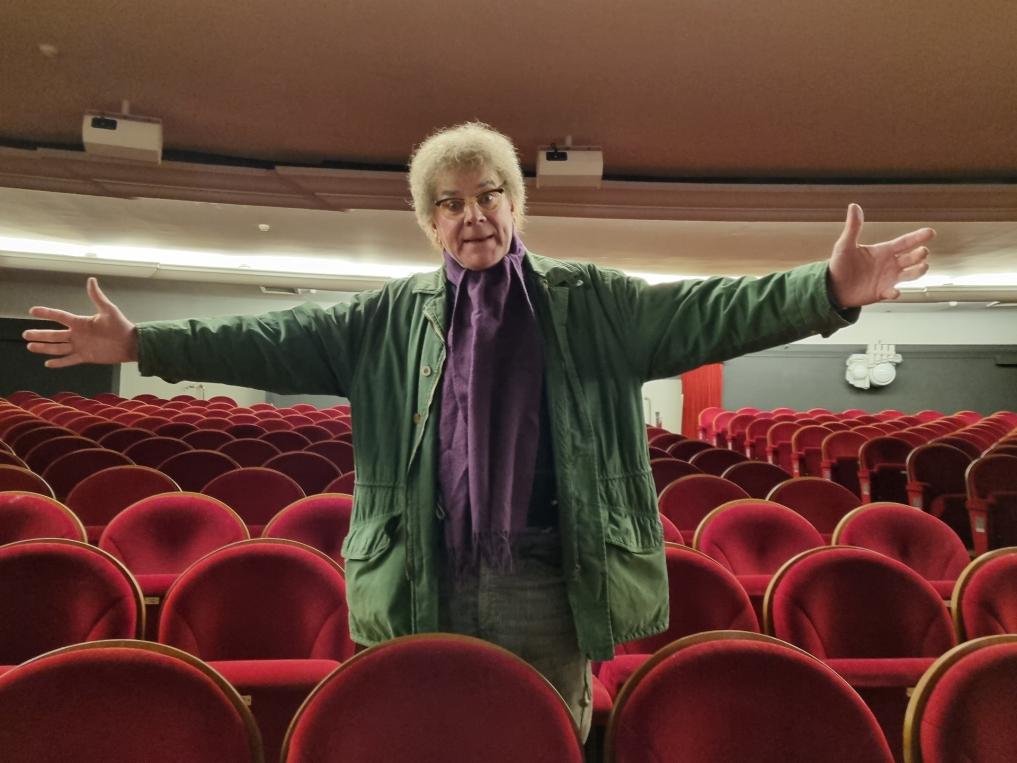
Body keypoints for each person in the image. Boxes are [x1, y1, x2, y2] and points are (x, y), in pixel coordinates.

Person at [23, 122, 933, 739]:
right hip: (423, 569)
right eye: (452, 203)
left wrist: (826, 290)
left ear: (514, 205)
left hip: (548, 575)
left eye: (488, 195)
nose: (473, 216)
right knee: (427, 732)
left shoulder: (591, 303)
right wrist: (142, 343)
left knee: (542, 732)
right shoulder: (384, 320)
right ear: (430, 222)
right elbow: (266, 339)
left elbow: (710, 310)